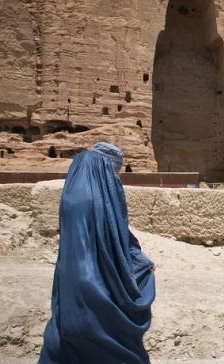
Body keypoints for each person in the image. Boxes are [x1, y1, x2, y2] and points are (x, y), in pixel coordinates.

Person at [39, 142, 156, 364]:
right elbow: (115, 237)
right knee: (107, 338)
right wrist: (141, 263)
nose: (115, 177)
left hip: (69, 284)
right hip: (96, 286)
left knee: (66, 341)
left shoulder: (72, 194)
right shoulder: (97, 199)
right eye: (114, 170)